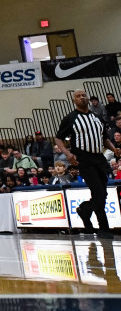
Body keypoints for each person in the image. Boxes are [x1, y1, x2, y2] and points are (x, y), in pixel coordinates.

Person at [56, 88, 119, 237]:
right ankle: (103, 228)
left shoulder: (96, 117)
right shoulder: (70, 118)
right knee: (98, 191)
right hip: (83, 159)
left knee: (102, 193)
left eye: (84, 95)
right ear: (74, 101)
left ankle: (84, 210)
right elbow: (58, 138)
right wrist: (68, 154)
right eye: (78, 96)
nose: (82, 98)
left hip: (99, 158)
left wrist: (114, 149)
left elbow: (104, 138)